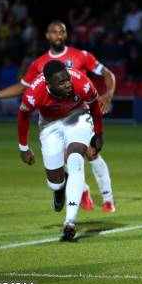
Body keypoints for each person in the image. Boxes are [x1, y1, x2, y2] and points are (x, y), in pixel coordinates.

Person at [0, 21, 117, 212]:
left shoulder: (81, 56)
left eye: (62, 32)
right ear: (47, 36)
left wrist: (108, 94)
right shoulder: (39, 64)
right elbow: (22, 88)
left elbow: (107, 74)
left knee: (91, 152)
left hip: (78, 112)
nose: (59, 35)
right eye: (54, 32)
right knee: (64, 158)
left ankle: (107, 199)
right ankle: (82, 190)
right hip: (53, 119)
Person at [18, 61, 103, 241]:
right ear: (49, 84)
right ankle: (61, 185)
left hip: (77, 117)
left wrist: (98, 133)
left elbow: (94, 105)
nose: (67, 84)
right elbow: (23, 116)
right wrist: (23, 147)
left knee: (75, 160)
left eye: (67, 79)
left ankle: (69, 221)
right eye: (61, 82)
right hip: (50, 125)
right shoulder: (34, 94)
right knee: (54, 183)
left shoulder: (82, 82)